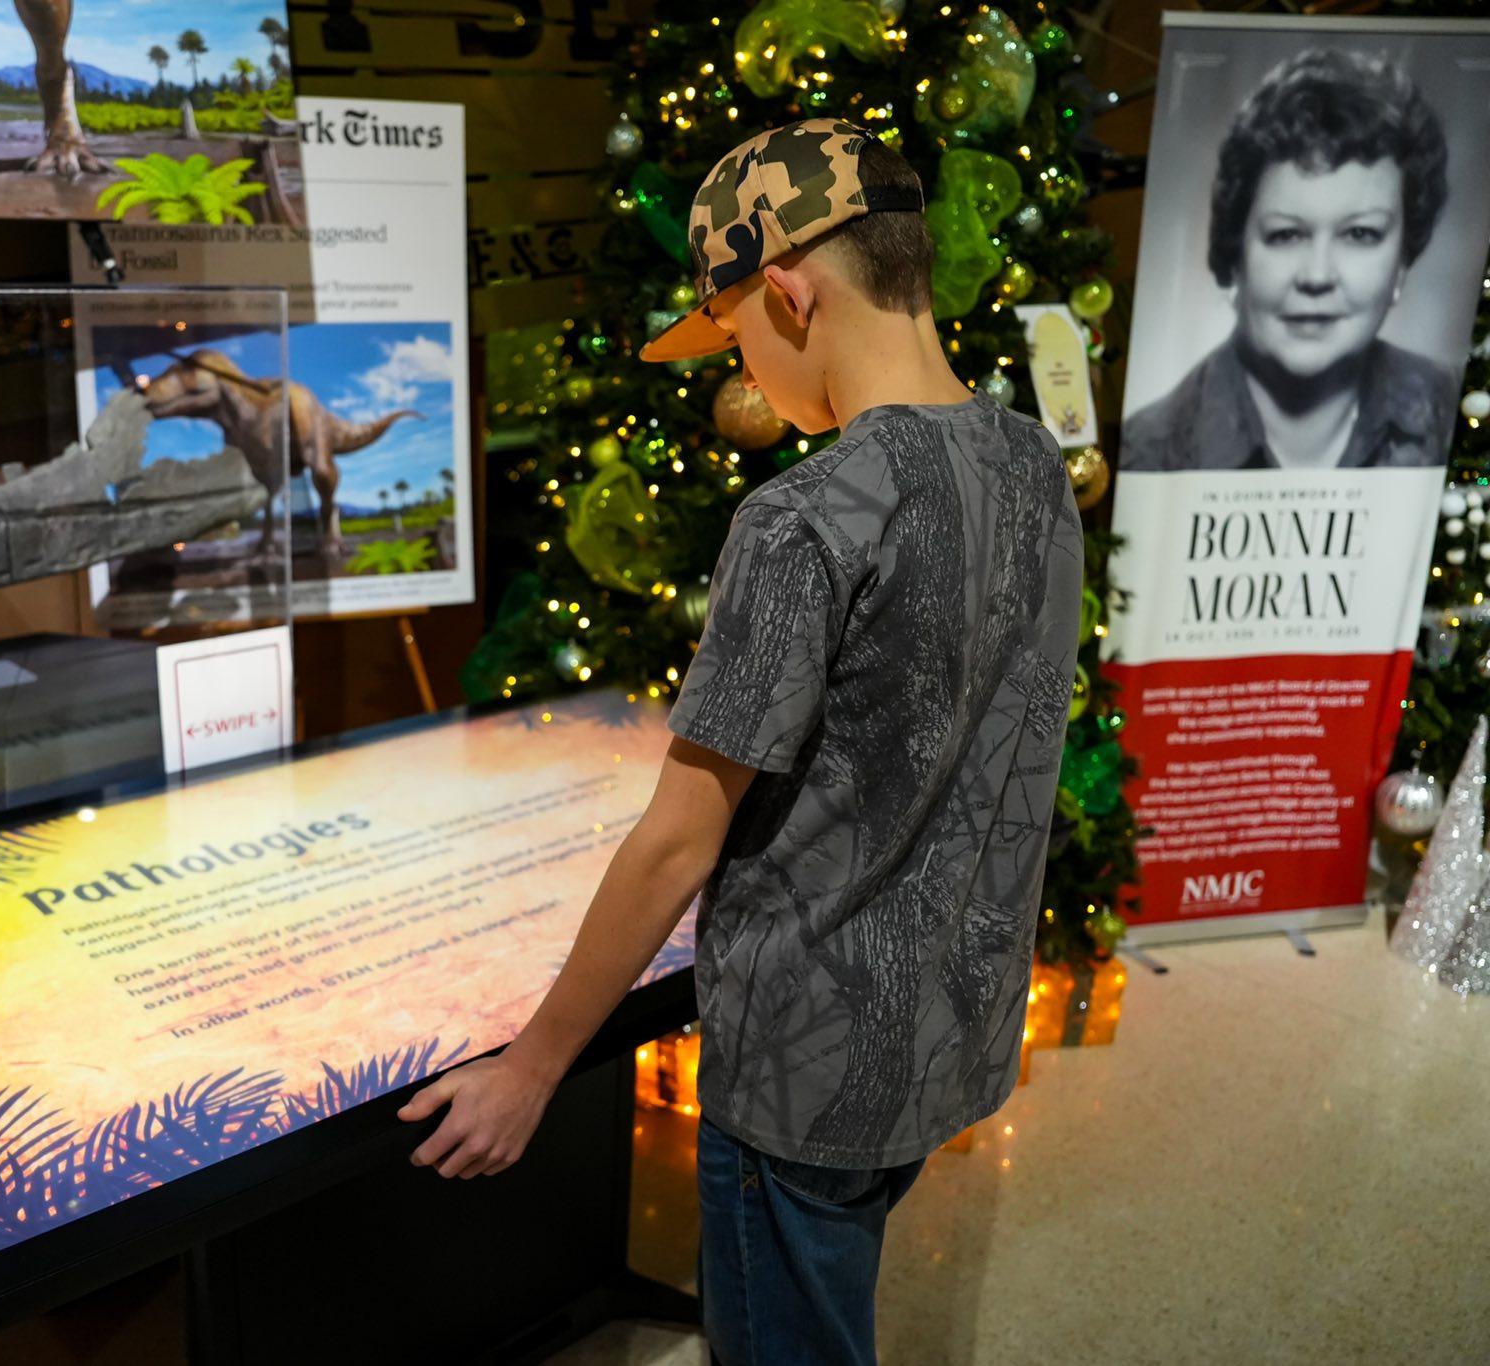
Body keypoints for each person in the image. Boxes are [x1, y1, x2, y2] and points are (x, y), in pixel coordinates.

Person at [397, 120, 1083, 1362]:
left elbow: (678, 840)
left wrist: (530, 1069)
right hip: (946, 1035)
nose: (745, 374)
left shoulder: (803, 518)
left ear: (786, 290)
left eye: (730, 336)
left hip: (801, 1071)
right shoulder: (1035, 461)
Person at [1123, 47, 1455, 471]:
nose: (1317, 275)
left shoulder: (1456, 415)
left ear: (1403, 263)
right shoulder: (1147, 453)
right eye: (1286, 235)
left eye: (1360, 234)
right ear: (1235, 255)